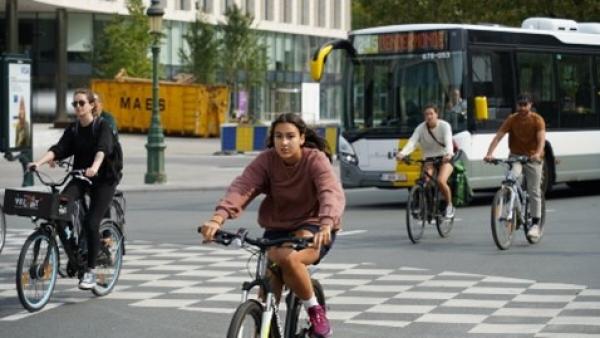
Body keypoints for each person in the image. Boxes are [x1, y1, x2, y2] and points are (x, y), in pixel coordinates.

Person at [199, 113, 345, 338]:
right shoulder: (267, 160)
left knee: (290, 259)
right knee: (269, 282)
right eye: (278, 136)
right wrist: (218, 218)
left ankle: (315, 311)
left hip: (315, 225)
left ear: (301, 138)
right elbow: (244, 186)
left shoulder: (314, 159)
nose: (284, 142)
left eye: (290, 136)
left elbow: (330, 191)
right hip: (278, 227)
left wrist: (327, 223)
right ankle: (263, 330)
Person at [28, 88, 119, 290]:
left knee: (91, 222)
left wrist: (95, 168)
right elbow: (59, 148)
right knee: (60, 204)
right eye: (74, 104)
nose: (77, 107)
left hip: (104, 179)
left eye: (81, 103)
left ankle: (90, 272)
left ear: (92, 105)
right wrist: (38, 162)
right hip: (81, 176)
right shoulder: (74, 129)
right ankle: (74, 252)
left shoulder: (102, 126)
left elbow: (102, 150)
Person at [484, 93, 545, 240]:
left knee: (533, 189)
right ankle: (514, 209)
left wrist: (537, 153)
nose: (523, 107)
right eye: (520, 105)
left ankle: (535, 224)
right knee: (510, 179)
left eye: (526, 105)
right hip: (516, 157)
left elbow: (541, 139)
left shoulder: (537, 120)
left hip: (532, 158)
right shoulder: (512, 119)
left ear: (531, 105)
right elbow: (498, 136)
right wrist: (489, 153)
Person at [396, 104, 455, 218]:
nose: (429, 116)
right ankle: (428, 207)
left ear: (436, 114)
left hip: (444, 158)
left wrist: (448, 154)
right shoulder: (420, 128)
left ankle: (449, 205)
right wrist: (402, 153)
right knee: (424, 182)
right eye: (426, 114)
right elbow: (412, 142)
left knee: (441, 181)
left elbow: (448, 141)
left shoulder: (444, 126)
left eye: (431, 114)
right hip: (429, 159)